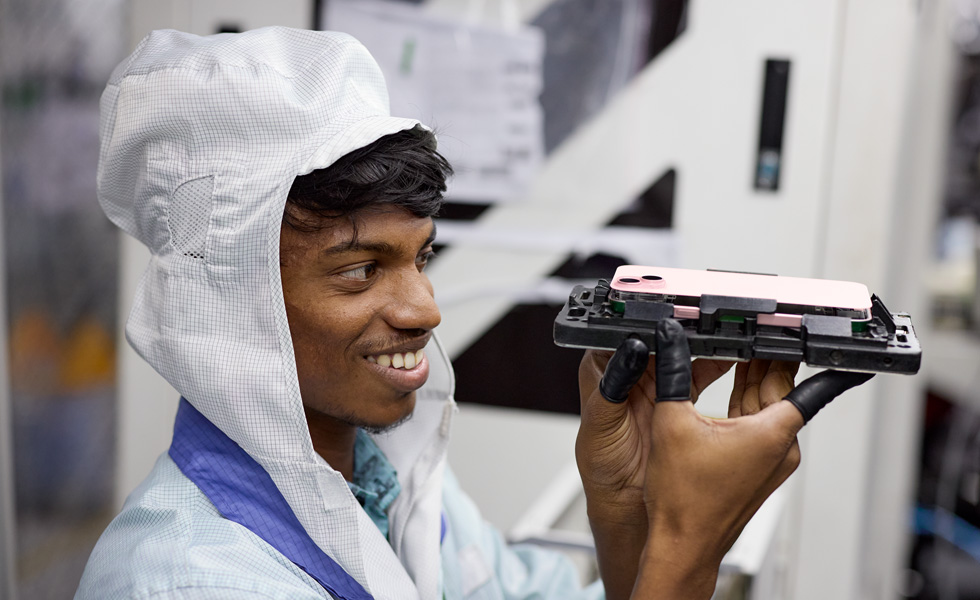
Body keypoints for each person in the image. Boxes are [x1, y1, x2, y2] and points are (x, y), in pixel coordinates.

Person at [75, 27, 871, 599]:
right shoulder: (187, 580)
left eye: (420, 256)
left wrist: (627, 508)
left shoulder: (391, 493)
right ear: (229, 301)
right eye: (360, 270)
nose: (424, 307)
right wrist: (689, 543)